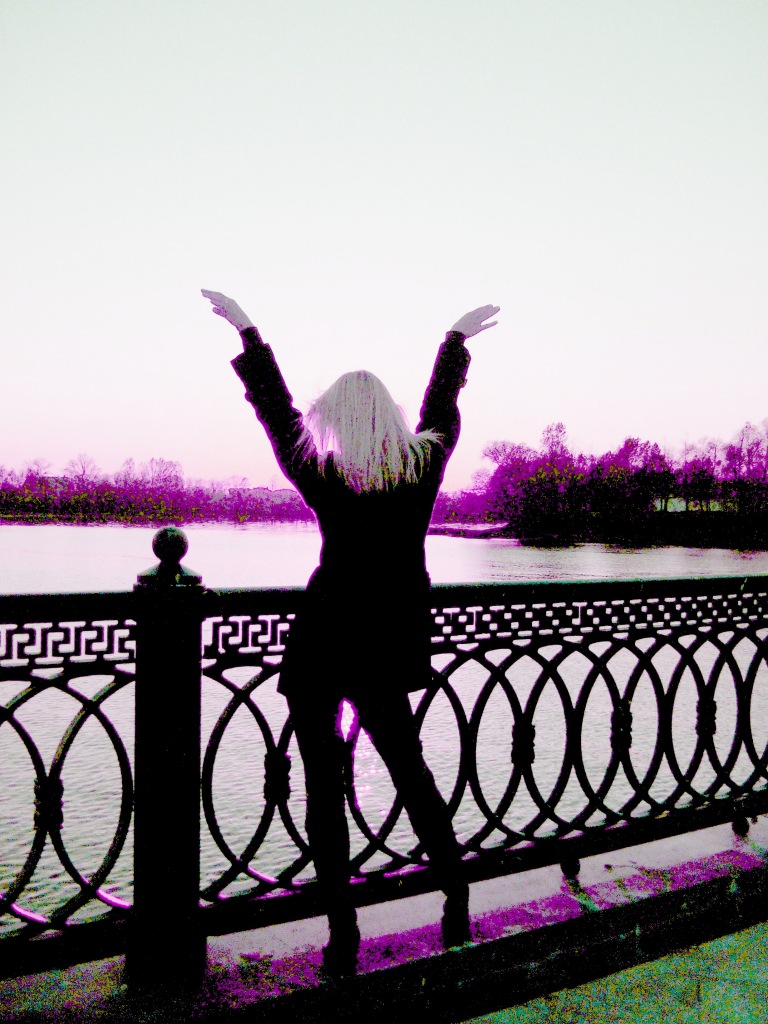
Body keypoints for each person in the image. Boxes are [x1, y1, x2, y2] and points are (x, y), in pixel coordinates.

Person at [202, 289, 499, 978]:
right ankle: (455, 897)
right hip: (385, 646)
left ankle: (343, 934)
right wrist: (454, 343)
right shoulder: (421, 468)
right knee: (411, 772)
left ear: (336, 419)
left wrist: (249, 333)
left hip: (323, 641)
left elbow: (276, 413)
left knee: (321, 789)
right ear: (389, 416)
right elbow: (441, 412)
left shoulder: (324, 474)